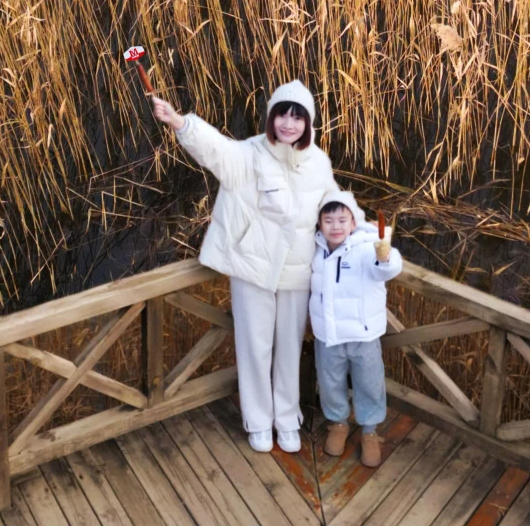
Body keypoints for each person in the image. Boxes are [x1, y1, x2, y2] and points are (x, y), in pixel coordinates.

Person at [151, 80, 337, 454]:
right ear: (271, 117)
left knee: (288, 347)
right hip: (252, 267)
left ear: (308, 123)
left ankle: (287, 419)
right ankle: (257, 420)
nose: (288, 123)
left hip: (297, 271)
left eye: (297, 117)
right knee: (254, 345)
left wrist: (363, 235)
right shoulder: (249, 154)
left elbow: (335, 205)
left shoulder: (318, 162)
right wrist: (179, 122)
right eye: (282, 114)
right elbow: (214, 149)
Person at [309, 188, 402, 468]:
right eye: (328, 221)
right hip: (328, 335)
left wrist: (384, 256)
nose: (335, 226)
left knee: (370, 382)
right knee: (330, 382)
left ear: (353, 223)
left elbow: (385, 268)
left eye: (341, 220)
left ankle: (370, 431)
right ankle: (338, 423)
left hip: (363, 335)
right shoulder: (315, 249)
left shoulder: (366, 246)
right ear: (319, 225)